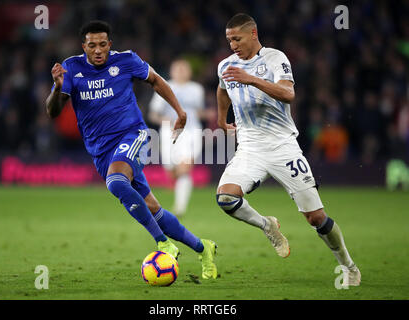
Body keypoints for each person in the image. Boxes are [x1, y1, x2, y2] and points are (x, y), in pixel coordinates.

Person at [45, 20, 217, 279]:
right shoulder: (71, 68)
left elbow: (157, 81)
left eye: (103, 44)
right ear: (84, 47)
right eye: (92, 46)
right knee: (152, 207)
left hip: (132, 134)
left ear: (109, 44)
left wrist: (180, 111)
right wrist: (58, 88)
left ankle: (162, 243)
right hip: (101, 150)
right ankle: (204, 249)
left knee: (115, 182)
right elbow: (53, 111)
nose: (98, 50)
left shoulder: (126, 60)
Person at [215, 13, 360, 286]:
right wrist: (222, 119)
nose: (232, 44)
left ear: (253, 34)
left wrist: (251, 80)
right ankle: (266, 225)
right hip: (250, 148)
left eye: (237, 38)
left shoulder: (274, 58)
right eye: (228, 39)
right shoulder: (226, 65)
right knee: (226, 198)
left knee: (316, 218)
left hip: (283, 147)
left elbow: (288, 94)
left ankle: (348, 265)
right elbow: (222, 88)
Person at [148, 59, 205, 216]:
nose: (181, 71)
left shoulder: (197, 89)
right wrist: (166, 120)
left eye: (184, 68)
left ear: (190, 72)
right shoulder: (164, 87)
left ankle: (180, 208)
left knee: (184, 168)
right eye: (177, 68)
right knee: (172, 172)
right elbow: (153, 115)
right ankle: (177, 186)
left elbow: (199, 112)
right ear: (172, 71)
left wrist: (210, 114)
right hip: (169, 132)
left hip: (191, 131)